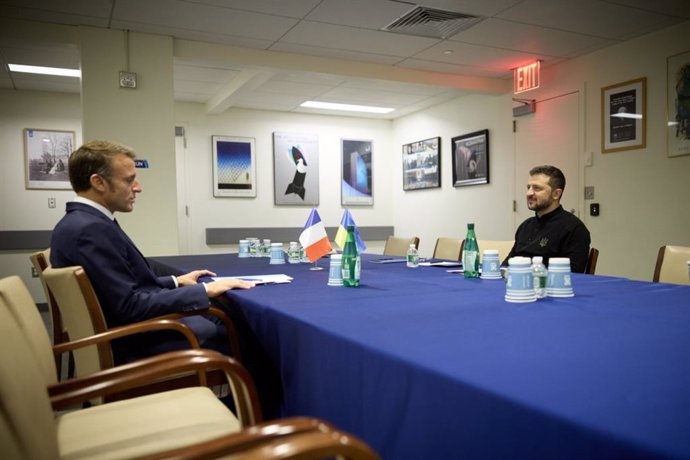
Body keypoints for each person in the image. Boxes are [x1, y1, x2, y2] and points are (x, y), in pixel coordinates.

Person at [50, 140, 256, 364]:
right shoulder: (90, 230)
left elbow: (122, 287)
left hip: (125, 333)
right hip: (132, 345)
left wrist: (176, 282)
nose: (138, 187)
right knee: (241, 330)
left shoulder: (81, 222)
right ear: (98, 182)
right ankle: (246, 397)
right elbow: (130, 306)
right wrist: (206, 289)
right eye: (129, 180)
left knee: (220, 316)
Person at [504, 165, 591, 273]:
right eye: (528, 187)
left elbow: (573, 275)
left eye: (537, 188)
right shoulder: (525, 226)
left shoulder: (574, 229)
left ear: (556, 194)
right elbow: (506, 266)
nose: (529, 193)